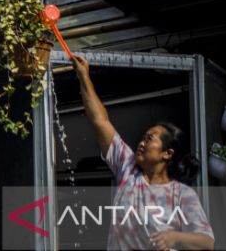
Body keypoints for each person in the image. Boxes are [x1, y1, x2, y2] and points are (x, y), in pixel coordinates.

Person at [72, 55, 215, 251]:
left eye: (149, 139)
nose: (141, 143)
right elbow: (100, 121)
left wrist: (173, 237)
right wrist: (83, 76)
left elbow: (207, 242)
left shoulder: (182, 194)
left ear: (167, 153)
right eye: (142, 137)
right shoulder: (128, 167)